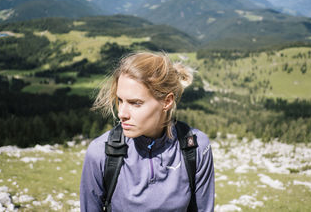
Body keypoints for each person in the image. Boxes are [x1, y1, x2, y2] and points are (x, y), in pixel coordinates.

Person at [80, 51, 215, 212]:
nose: (122, 113)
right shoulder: (101, 152)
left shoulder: (195, 148)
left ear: (167, 101)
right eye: (120, 100)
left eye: (135, 103)